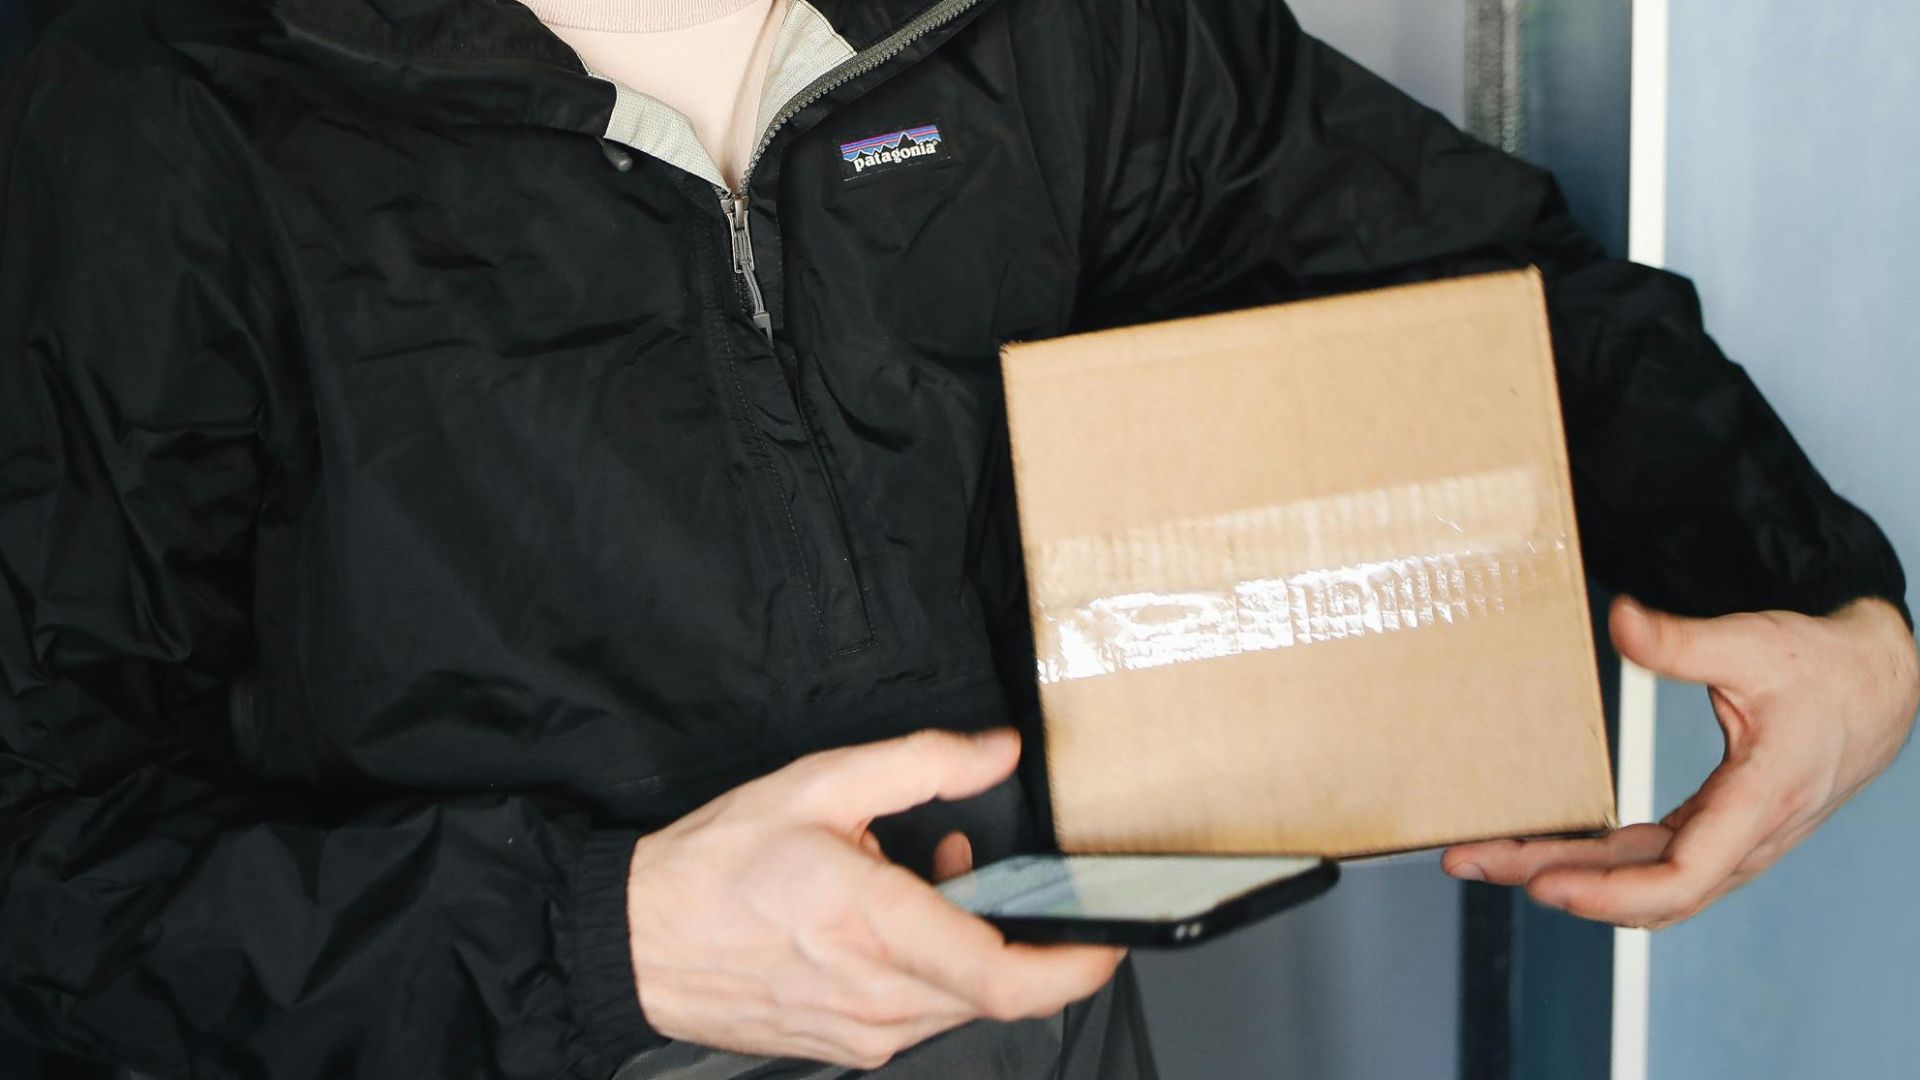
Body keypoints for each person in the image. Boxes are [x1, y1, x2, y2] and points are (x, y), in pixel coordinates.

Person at [1, 0, 1913, 1077]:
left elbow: (1485, 284)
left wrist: (1819, 593)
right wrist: (608, 943)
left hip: (1028, 1035)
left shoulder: (1041, 30)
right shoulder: (134, 106)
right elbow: (44, 867)